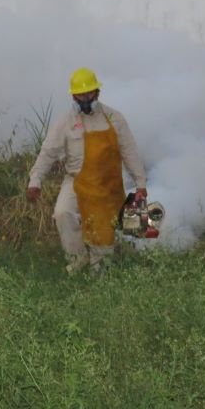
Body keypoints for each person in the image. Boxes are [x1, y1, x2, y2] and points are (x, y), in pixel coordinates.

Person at [26, 68, 148, 274]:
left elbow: (129, 151)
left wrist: (140, 184)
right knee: (62, 213)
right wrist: (35, 181)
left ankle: (100, 269)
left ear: (97, 93)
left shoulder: (115, 118)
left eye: (88, 94)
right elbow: (48, 152)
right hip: (76, 181)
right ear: (73, 95)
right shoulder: (65, 122)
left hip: (107, 185)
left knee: (103, 231)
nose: (84, 99)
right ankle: (78, 259)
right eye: (79, 95)